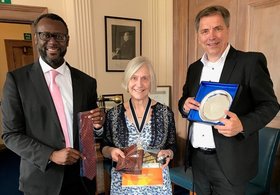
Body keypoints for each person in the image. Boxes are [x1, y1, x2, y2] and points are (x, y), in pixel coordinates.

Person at [178, 5, 279, 195]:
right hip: (197, 158)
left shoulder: (249, 62)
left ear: (227, 30)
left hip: (231, 162)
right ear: (199, 36)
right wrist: (184, 105)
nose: (211, 36)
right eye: (205, 31)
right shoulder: (194, 68)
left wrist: (242, 124)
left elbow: (270, 105)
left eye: (217, 28)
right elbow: (184, 99)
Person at [1, 13, 105, 195]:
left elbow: (89, 132)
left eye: (59, 36)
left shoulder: (87, 82)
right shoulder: (17, 81)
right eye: (45, 35)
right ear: (35, 38)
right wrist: (50, 155)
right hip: (41, 178)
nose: (52, 41)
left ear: (67, 40)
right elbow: (11, 135)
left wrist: (98, 126)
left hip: (81, 178)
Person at [101, 56, 176, 194]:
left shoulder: (166, 113)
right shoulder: (113, 115)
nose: (139, 84)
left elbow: (172, 146)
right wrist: (111, 151)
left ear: (151, 81)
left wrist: (168, 153)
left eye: (145, 78)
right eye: (134, 78)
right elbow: (104, 147)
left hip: (156, 186)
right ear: (127, 80)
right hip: (124, 186)